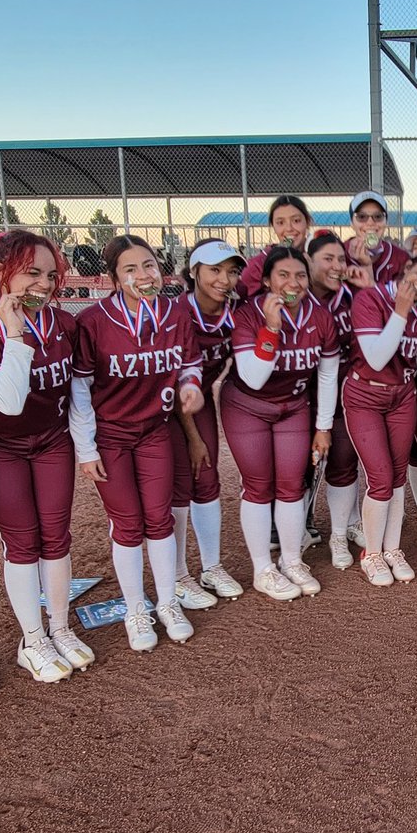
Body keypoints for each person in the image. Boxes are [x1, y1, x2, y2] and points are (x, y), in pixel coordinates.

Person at [0, 230, 90, 684]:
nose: (44, 284)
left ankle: (60, 628)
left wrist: (86, 446)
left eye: (51, 275)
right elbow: (8, 402)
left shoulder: (63, 324)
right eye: (32, 273)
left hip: (52, 440)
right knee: (23, 542)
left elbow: (78, 392)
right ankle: (33, 639)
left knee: (57, 536)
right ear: (0, 272)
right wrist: (14, 333)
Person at [69, 235, 205, 652]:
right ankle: (135, 611)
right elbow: (80, 387)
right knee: (128, 524)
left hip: (154, 430)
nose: (143, 275)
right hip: (111, 435)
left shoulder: (174, 313)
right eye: (130, 269)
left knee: (160, 518)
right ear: (114, 278)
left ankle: (167, 603)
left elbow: (190, 362)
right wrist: (86, 449)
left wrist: (191, 386)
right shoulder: (93, 321)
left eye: (149, 265)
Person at [221, 245, 340, 600]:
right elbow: (254, 377)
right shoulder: (249, 314)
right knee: (259, 487)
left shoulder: (320, 317)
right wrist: (271, 328)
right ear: (267, 281)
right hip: (248, 406)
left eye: (300, 275)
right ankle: (263, 569)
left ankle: (292, 560)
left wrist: (323, 427)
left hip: (292, 406)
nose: (293, 283)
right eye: (283, 275)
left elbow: (327, 375)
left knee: (291, 485)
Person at [345, 253, 417, 585]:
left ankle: (392, 549)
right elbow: (375, 358)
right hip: (365, 395)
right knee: (380, 478)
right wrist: (401, 311)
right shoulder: (370, 298)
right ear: (408, 268)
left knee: (398, 477)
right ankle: (372, 553)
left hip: (402, 396)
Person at [169, 240, 247, 609]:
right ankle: (177, 575)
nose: (224, 279)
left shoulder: (235, 311)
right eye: (214, 270)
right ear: (194, 271)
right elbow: (174, 378)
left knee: (207, 478)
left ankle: (211, 567)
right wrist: (193, 437)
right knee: (177, 485)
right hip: (164, 403)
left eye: (231, 271)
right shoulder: (175, 312)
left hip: (198, 400)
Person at [306, 232, 375, 568]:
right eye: (327, 259)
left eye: (340, 259)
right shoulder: (296, 297)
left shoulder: (352, 294)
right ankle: (295, 529)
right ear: (309, 261)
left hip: (345, 391)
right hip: (301, 394)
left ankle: (339, 532)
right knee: (297, 466)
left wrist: (367, 285)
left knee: (344, 460)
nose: (336, 266)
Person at [235, 194, 314, 301]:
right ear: (273, 226)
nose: (289, 228)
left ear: (307, 222)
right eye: (280, 222)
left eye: (296, 221)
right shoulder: (258, 264)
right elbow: (243, 300)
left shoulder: (321, 256)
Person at [346, 191, 409, 284]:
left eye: (378, 216)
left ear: (386, 222)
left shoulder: (401, 258)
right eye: (362, 216)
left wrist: (366, 265)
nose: (370, 223)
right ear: (351, 223)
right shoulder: (339, 255)